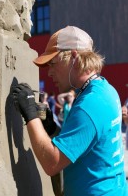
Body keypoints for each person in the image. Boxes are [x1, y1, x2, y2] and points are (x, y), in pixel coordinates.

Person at [12, 26, 127, 195]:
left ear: (73, 57)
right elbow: (84, 144)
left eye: (53, 64)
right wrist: (51, 129)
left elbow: (52, 163)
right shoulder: (103, 90)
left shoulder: (91, 104)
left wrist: (30, 114)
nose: (49, 72)